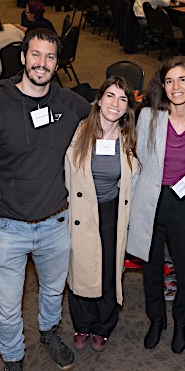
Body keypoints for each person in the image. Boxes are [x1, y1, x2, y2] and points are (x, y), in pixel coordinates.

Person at [0, 28, 90, 371]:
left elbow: (108, 118)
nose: (42, 63)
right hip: (5, 226)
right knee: (7, 307)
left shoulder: (69, 103)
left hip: (55, 222)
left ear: (58, 62)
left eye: (50, 57)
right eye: (35, 55)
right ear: (22, 58)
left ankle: (49, 332)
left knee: (53, 291)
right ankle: (13, 360)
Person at [126, 56, 185, 354]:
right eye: (169, 81)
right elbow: (139, 162)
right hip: (152, 201)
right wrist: (131, 204)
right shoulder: (149, 117)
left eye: (182, 79)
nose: (175, 86)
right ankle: (157, 319)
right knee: (151, 266)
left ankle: (181, 322)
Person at [66, 77, 139, 352]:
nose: (115, 103)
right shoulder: (80, 131)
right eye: (110, 96)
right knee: (81, 266)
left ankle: (103, 325)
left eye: (122, 99)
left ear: (127, 107)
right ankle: (82, 323)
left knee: (108, 267)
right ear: (99, 100)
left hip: (110, 208)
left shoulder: (129, 138)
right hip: (80, 209)